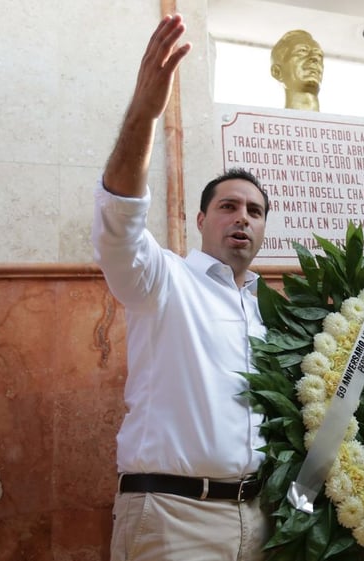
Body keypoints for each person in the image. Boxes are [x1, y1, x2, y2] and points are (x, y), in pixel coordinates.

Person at [91, 14, 272, 561]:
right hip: (173, 520)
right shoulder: (161, 279)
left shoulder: (270, 313)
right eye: (228, 206)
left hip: (260, 521)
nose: (243, 217)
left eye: (255, 211)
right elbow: (119, 221)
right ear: (200, 221)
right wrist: (146, 112)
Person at [270, 29, 324, 111]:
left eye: (319, 55)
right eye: (302, 51)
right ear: (277, 72)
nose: (314, 58)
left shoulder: (342, 123)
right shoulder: (264, 122)